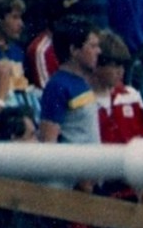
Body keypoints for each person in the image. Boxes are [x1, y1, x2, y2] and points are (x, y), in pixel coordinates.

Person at [38, 16, 101, 145]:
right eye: (93, 46)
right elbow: (48, 140)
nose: (98, 51)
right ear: (74, 50)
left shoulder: (83, 83)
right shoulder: (57, 87)